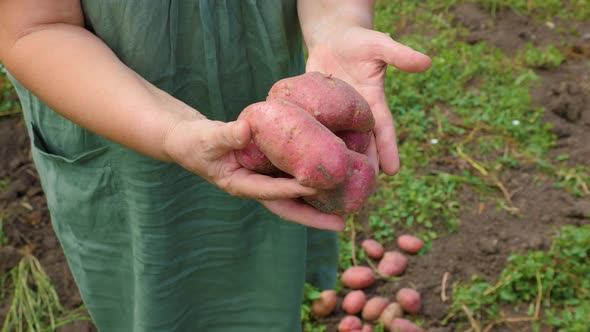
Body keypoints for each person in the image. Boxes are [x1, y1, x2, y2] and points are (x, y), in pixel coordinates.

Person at [0, 1, 431, 331]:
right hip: (114, 113)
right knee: (154, 285)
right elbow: (32, 27)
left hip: (258, 92)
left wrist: (336, 25)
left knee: (264, 250)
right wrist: (170, 132)